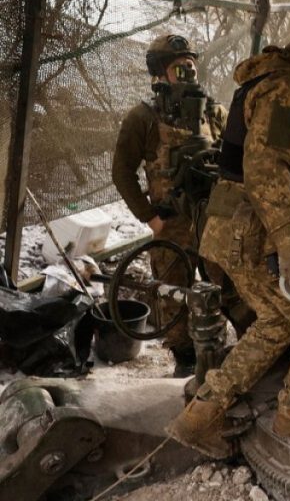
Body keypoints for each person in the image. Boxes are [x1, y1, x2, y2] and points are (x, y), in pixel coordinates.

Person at [166, 10, 290, 458]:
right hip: (254, 233)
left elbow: (280, 159)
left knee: (276, 322)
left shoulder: (275, 80)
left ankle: (199, 416)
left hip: (231, 227)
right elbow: (267, 171)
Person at [112, 34, 228, 377]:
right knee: (174, 294)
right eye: (180, 67)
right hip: (171, 223)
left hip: (211, 219)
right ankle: (186, 362)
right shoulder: (143, 117)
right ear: (161, 74)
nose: (189, 72)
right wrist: (150, 218)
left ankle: (221, 351)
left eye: (191, 64)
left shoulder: (213, 112)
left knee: (225, 286)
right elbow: (121, 172)